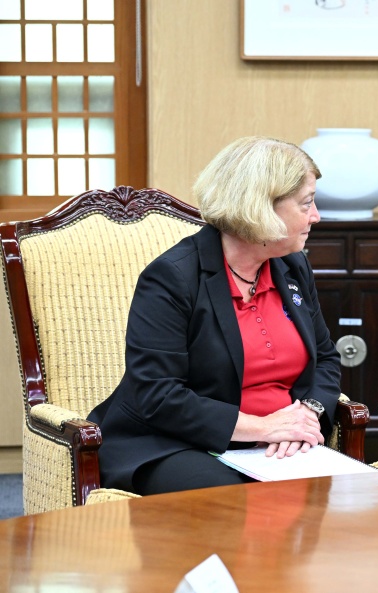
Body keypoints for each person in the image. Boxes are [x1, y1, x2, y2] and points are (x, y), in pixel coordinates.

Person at [89, 136, 342, 494]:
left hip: (275, 444)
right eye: (306, 204)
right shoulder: (172, 277)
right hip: (172, 442)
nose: (315, 216)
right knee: (233, 503)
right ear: (262, 207)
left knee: (348, 499)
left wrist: (307, 414)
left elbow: (327, 358)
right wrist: (263, 428)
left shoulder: (291, 266)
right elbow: (158, 395)